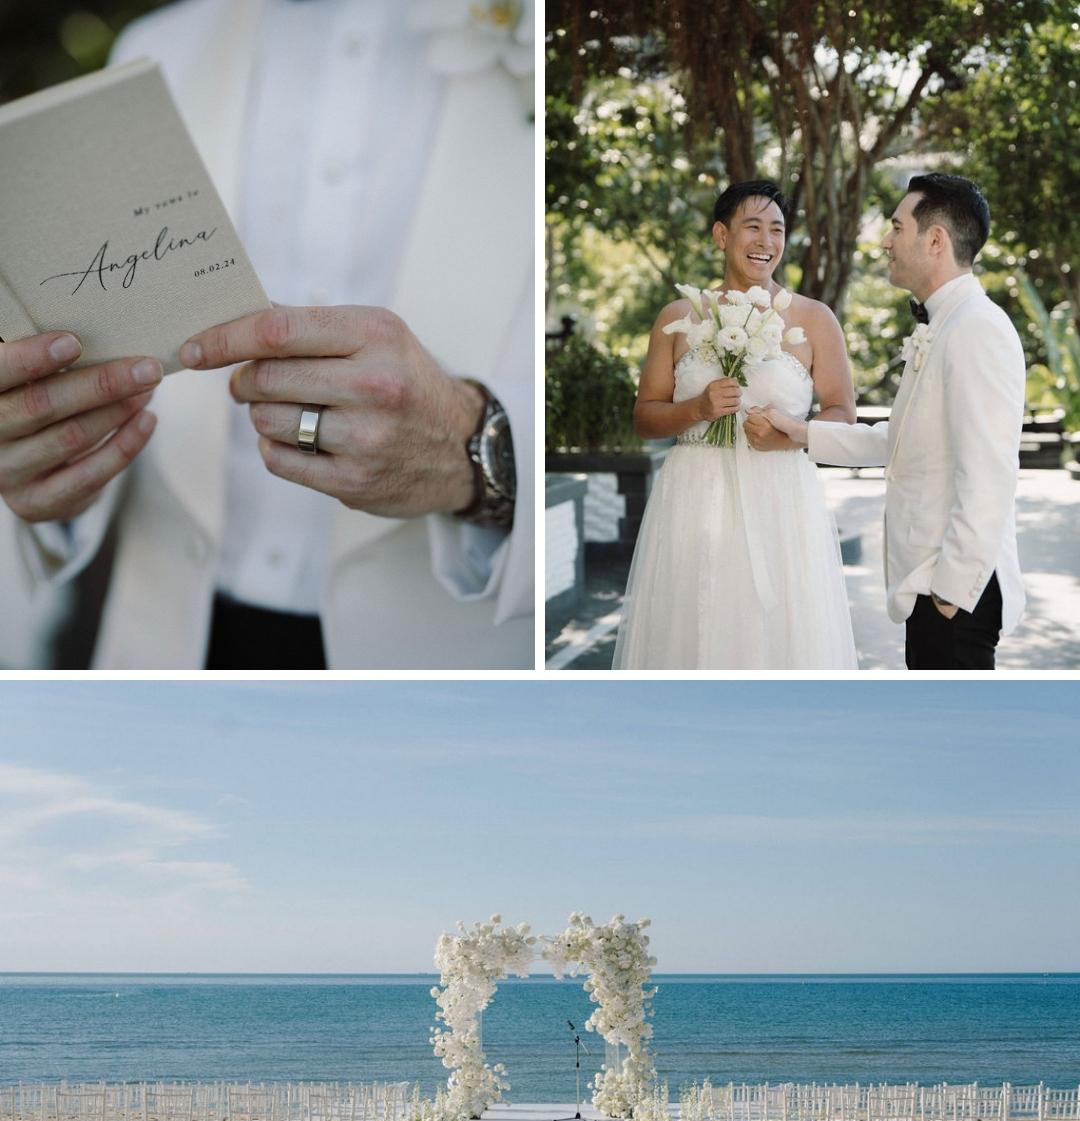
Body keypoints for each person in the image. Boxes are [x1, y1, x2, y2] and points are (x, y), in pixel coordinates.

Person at [0, 0, 533, 669]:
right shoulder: (159, 42)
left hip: (456, 664)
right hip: (164, 654)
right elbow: (94, 361)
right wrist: (48, 458)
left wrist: (480, 446)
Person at [749, 173, 1025, 671]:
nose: (887, 241)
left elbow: (990, 475)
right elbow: (901, 440)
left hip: (953, 594)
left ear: (935, 240)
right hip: (928, 588)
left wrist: (948, 592)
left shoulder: (976, 329)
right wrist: (804, 433)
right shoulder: (945, 324)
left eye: (897, 227)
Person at [612, 180, 858, 670]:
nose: (766, 241)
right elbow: (644, 417)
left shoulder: (814, 318)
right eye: (753, 227)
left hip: (780, 496)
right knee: (694, 624)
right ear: (722, 236)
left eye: (777, 229)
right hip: (694, 496)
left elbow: (841, 413)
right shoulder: (680, 317)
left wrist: (788, 434)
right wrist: (697, 410)